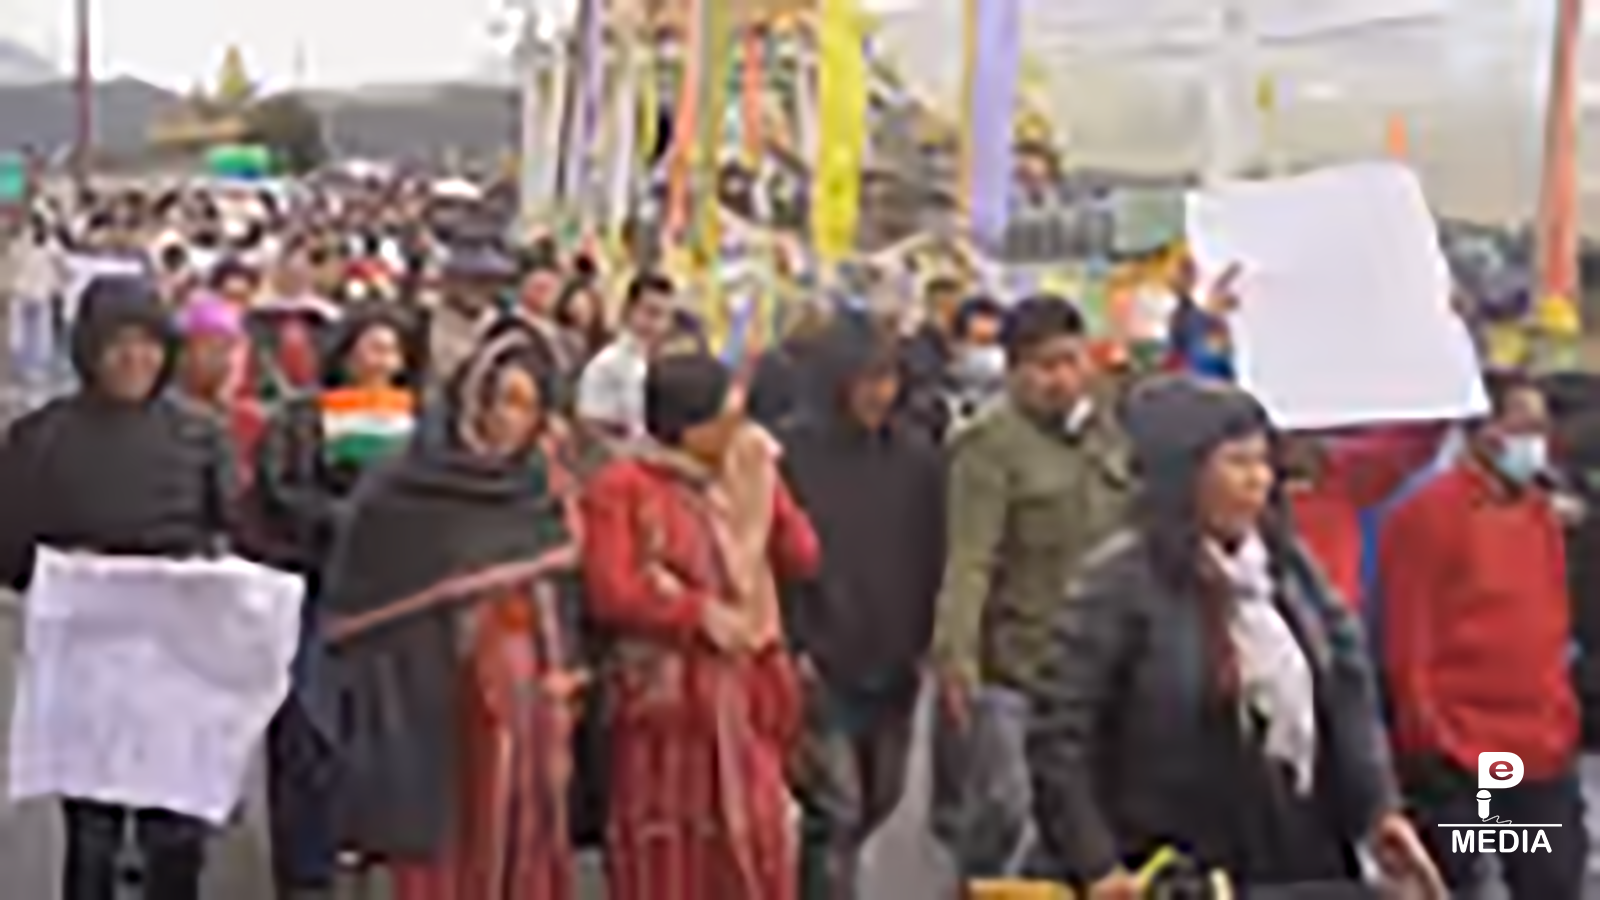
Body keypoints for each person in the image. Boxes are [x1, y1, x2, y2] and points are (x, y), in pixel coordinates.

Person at [1027, 374, 1443, 898]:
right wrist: (1097, 864)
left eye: (1264, 463)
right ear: (1184, 474)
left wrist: (1380, 809)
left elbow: (1348, 690)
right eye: (1237, 463)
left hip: (1298, 846)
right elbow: (1060, 737)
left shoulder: (1289, 571)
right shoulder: (1120, 583)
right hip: (1173, 863)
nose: (1257, 481)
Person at [320, 332, 585, 900]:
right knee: (444, 847)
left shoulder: (537, 490)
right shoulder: (401, 489)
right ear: (472, 398)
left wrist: (558, 677)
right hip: (426, 701)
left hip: (521, 706)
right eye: (502, 400)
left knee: (513, 833)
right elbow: (359, 603)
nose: (510, 419)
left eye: (528, 406)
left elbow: (564, 599)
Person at [0, 275, 234, 900]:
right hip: (86, 661)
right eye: (118, 344)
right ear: (89, 349)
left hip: (176, 657)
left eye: (148, 344)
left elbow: (228, 529)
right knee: (93, 832)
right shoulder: (39, 438)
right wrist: (64, 572)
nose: (134, 359)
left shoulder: (201, 434)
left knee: (176, 827)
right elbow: (9, 550)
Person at [580, 352, 821, 900]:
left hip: (746, 693)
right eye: (726, 419)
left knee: (755, 839)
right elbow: (612, 590)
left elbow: (802, 554)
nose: (739, 428)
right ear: (689, 430)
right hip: (664, 711)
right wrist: (698, 614)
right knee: (667, 853)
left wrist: (763, 494)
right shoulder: (623, 487)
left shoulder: (745, 468)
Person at [929, 296, 1131, 878]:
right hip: (1018, 670)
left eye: (1071, 361)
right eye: (1044, 366)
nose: (1061, 379)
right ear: (1014, 370)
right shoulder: (989, 447)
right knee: (1009, 813)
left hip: (1102, 667)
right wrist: (956, 657)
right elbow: (971, 558)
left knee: (1091, 819)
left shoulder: (1110, 433)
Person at [1378, 372, 1587, 898]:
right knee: (1462, 883)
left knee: (1553, 879)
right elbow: (1407, 638)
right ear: (1483, 431)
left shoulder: (1537, 513)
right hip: (1464, 751)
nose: (1537, 442)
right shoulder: (1428, 516)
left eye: (1541, 427)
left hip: (1540, 745)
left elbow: (1550, 619)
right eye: (1524, 427)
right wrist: (1429, 740)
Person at [253, 304, 423, 899]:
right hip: (319, 584)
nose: (381, 360)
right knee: (309, 728)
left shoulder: (422, 424)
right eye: (370, 346)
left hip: (396, 595)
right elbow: (279, 489)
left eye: (391, 349)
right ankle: (305, 868)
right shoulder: (303, 417)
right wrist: (343, 520)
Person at [777, 319, 945, 900]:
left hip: (894, 656)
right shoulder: (793, 456)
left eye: (889, 379)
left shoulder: (916, 459)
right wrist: (792, 643)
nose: (880, 394)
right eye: (867, 380)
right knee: (837, 807)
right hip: (821, 656)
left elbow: (932, 549)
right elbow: (772, 558)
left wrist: (928, 639)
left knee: (881, 797)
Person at [575, 272, 675, 441]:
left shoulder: (648, 365)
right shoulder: (612, 363)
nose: (658, 325)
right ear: (629, 310)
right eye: (651, 313)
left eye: (664, 316)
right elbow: (592, 432)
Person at [943, 296, 1009, 432]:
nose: (987, 324)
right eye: (982, 318)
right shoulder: (948, 354)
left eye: (992, 319)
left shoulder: (1001, 359)